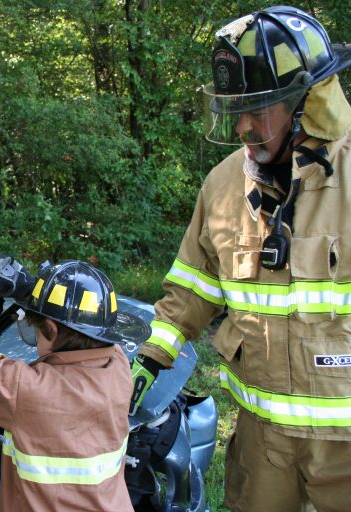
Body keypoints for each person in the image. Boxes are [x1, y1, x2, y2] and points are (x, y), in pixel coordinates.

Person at [129, 6, 351, 511]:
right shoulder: (224, 185)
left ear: (307, 102)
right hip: (262, 443)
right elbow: (193, 289)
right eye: (235, 111)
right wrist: (149, 359)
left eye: (258, 109)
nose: (243, 127)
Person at [0, 256, 150, 510]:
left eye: (37, 331)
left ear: (51, 328)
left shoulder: (29, 391)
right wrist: (36, 292)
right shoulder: (119, 368)